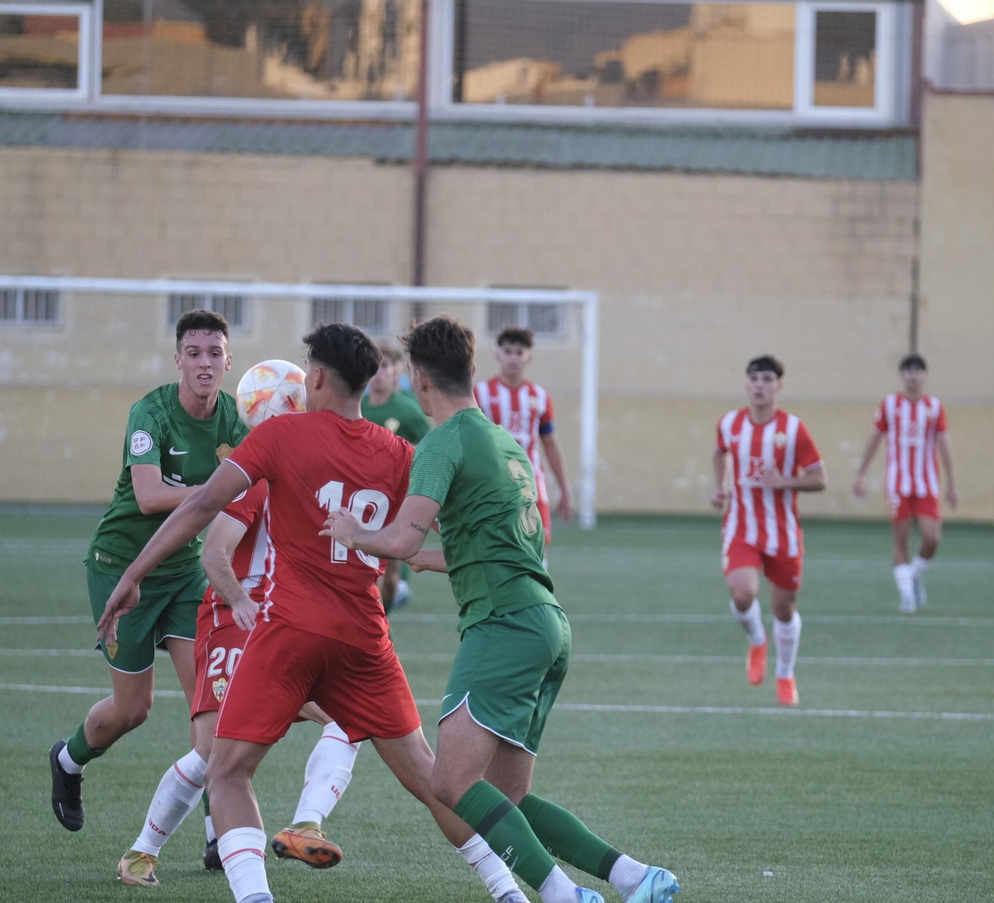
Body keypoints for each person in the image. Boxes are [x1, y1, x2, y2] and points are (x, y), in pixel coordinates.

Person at [97, 323, 529, 903]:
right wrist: (424, 560)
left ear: (316, 377)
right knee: (434, 782)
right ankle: (511, 893)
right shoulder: (401, 452)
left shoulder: (281, 437)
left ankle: (255, 896)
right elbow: (466, 542)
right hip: (365, 639)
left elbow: (202, 504)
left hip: (292, 631)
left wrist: (132, 575)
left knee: (225, 769)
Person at [323, 315, 679, 903]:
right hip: (547, 623)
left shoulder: (443, 439)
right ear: (473, 371)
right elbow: (478, 545)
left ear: (418, 380)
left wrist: (354, 533)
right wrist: (422, 551)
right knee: (503, 800)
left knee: (451, 782)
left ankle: (564, 896)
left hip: (503, 624)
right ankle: (635, 878)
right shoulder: (506, 442)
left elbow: (403, 542)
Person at [49, 310, 248, 833]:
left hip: (186, 572)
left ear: (229, 360)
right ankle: (68, 760)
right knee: (132, 710)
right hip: (120, 566)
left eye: (214, 353)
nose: (204, 363)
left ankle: (216, 833)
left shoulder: (235, 419)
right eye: (194, 353)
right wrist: (217, 493)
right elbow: (149, 494)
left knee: (210, 702)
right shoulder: (151, 413)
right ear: (177, 358)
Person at [115, 474, 367, 885]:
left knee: (351, 719)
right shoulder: (259, 478)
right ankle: (142, 851)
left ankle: (306, 824)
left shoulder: (326, 482)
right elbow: (214, 550)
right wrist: (239, 599)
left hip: (294, 623)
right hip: (236, 618)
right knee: (211, 750)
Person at [710, 356, 826, 707]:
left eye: (767, 379)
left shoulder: (793, 429)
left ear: (779, 386)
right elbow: (719, 453)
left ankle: (785, 674)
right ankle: (758, 641)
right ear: (747, 384)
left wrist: (785, 481)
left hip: (783, 533)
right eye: (755, 378)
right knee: (742, 593)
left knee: (784, 610)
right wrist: (720, 486)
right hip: (741, 527)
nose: (760, 385)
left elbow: (819, 478)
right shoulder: (730, 423)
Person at [851, 354, 958, 612]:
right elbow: (875, 439)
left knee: (932, 538)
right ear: (902, 375)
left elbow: (944, 445)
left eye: (918, 371)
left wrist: (952, 483)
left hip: (927, 484)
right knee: (901, 540)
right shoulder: (890, 405)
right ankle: (907, 596)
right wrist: (861, 474)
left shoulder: (934, 407)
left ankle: (913, 574)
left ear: (925, 375)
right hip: (898, 485)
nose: (913, 376)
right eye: (908, 371)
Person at [475, 328, 574, 547]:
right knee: (494, 548)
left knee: (538, 546)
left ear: (529, 357)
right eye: (508, 351)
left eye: (519, 352)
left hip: (532, 484)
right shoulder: (479, 394)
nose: (513, 357)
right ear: (498, 355)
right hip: (491, 485)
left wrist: (565, 491)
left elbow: (550, 444)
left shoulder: (539, 397)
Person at [363, 341, 430, 610]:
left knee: (389, 579)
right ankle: (373, 623)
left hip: (397, 501)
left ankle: (383, 617)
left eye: (384, 366)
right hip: (362, 498)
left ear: (396, 371)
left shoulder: (407, 410)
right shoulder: (358, 407)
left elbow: (430, 446)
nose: (378, 373)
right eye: (374, 368)